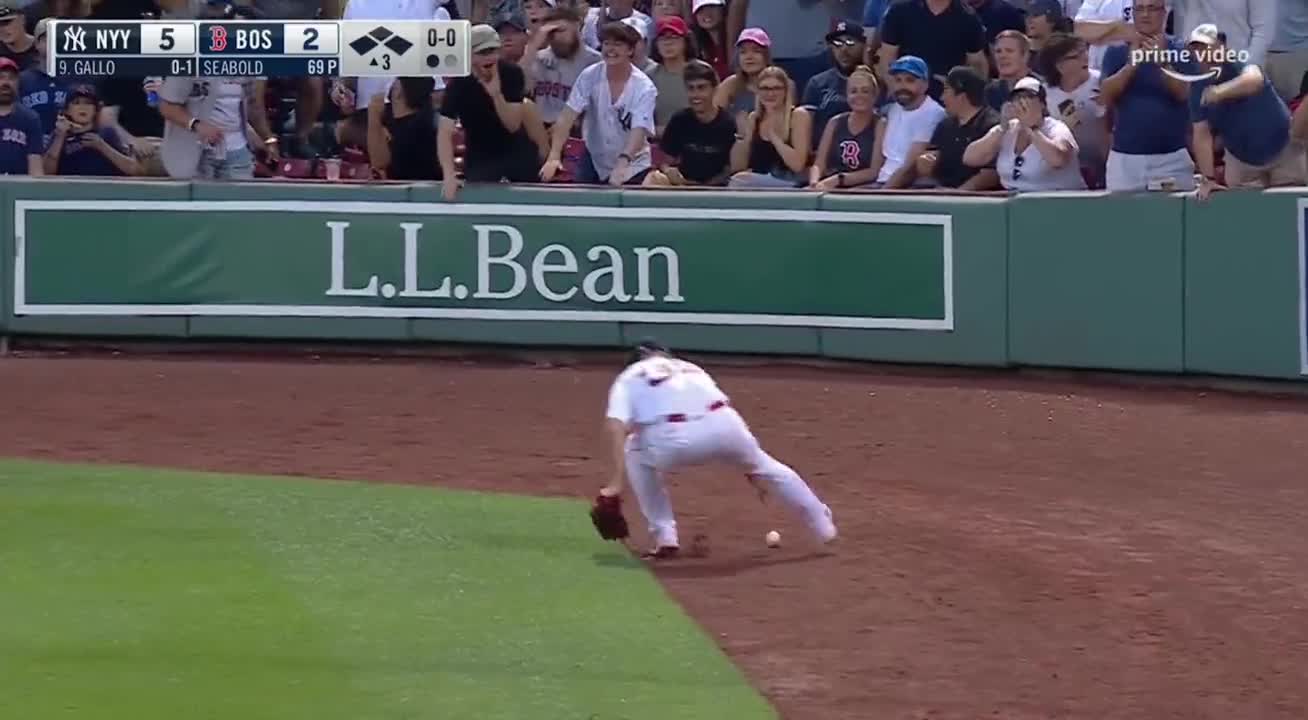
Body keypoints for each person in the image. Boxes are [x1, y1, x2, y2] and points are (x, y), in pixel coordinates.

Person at [599, 338, 838, 559]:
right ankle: (822, 524)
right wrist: (749, 466)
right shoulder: (689, 367)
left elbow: (616, 424)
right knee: (765, 465)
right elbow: (714, 410)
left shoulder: (628, 377)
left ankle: (664, 537)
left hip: (674, 439)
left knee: (634, 450)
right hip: (727, 425)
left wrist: (616, 483)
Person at [1187, 24, 1305, 196]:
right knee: (1246, 218)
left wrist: (1219, 92)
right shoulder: (1197, 85)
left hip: (1284, 152)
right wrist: (1209, 178)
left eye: (1208, 47)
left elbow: (1253, 80)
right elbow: (1201, 134)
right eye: (1198, 50)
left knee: (1290, 215)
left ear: (1223, 48)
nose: (1204, 54)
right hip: (1242, 164)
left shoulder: (1243, 64)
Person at [540, 20, 657, 186]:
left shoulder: (644, 87)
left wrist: (623, 162)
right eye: (606, 44)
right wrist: (554, 156)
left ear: (630, 50)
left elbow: (638, 130)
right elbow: (567, 116)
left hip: (633, 163)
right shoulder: (589, 75)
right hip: (595, 157)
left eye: (617, 44)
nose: (611, 49)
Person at [1099, 0, 1195, 191]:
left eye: (1152, 8)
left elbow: (1184, 94)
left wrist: (1163, 63)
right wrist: (1131, 65)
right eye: (1140, 9)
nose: (1145, 14)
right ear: (1132, 13)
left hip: (1171, 159)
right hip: (1125, 160)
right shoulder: (1116, 51)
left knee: (1172, 219)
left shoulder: (1181, 50)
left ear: (1164, 13)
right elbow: (1105, 96)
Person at [439, 24, 541, 198]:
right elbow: (444, 132)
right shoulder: (459, 83)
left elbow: (513, 125)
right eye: (482, 53)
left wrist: (496, 94)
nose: (489, 58)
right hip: (480, 158)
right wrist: (448, 175)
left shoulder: (512, 74)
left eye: (493, 51)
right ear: (468, 56)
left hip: (516, 154)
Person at [963, 75, 1086, 190]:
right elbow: (970, 158)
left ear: (1042, 104)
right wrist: (1001, 129)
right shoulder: (1008, 129)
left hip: (1056, 202)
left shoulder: (1056, 128)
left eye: (1029, 97)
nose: (1022, 102)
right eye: (1017, 98)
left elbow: (1058, 159)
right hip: (1013, 203)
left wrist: (1031, 128)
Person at [646, 59, 736, 186]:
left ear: (714, 89)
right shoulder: (680, 119)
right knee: (654, 178)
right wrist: (668, 171)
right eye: (691, 88)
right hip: (682, 186)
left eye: (701, 88)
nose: (696, 95)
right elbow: (665, 161)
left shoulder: (728, 123)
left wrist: (703, 188)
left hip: (718, 189)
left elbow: (730, 169)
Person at [914, 65, 1002, 189]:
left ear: (961, 96)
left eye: (946, 91)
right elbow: (931, 156)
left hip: (974, 201)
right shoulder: (945, 125)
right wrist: (926, 162)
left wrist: (957, 196)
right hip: (941, 193)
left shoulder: (992, 125)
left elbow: (990, 174)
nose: (941, 98)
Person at [728, 65, 813, 188]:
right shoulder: (755, 118)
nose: (770, 93)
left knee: (739, 182)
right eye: (765, 88)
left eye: (776, 88)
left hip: (791, 182)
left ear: (785, 91)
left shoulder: (798, 115)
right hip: (760, 181)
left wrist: (774, 137)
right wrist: (743, 137)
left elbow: (798, 165)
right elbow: (737, 167)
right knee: (738, 180)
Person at [1040, 32, 1107, 186]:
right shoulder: (1045, 93)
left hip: (1104, 163)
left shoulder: (1102, 82)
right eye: (1076, 56)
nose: (1085, 58)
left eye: (1085, 51)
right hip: (1065, 168)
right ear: (1059, 66)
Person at [874, 55, 947, 188]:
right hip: (880, 182)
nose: (902, 86)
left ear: (925, 84)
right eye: (898, 80)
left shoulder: (933, 113)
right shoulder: (892, 109)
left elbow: (909, 169)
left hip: (905, 189)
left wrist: (880, 196)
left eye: (910, 80)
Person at [524, 5, 601, 126]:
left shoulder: (596, 62)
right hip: (540, 130)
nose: (556, 37)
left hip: (578, 133)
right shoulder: (538, 58)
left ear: (577, 25)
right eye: (550, 33)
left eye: (560, 30)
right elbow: (519, 88)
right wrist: (534, 46)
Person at [809, 65, 881, 189]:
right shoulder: (835, 122)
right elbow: (819, 164)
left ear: (874, 96)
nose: (859, 95)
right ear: (847, 96)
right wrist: (814, 182)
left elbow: (874, 172)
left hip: (863, 188)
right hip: (831, 184)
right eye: (854, 91)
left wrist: (838, 179)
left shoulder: (880, 124)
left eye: (865, 91)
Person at [43, 84, 139, 176]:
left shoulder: (107, 133)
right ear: (67, 110)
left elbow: (133, 169)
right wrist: (60, 137)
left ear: (96, 110)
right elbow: (47, 173)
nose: (82, 107)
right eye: (76, 103)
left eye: (88, 103)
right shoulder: (58, 135)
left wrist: (101, 146)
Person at [802, 21, 867, 152]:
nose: (844, 49)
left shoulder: (874, 83)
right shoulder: (817, 83)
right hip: (822, 159)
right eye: (837, 43)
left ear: (863, 45)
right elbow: (805, 128)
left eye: (850, 42)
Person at [368, 76, 440, 180]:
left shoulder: (414, 130)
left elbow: (379, 163)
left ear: (398, 91)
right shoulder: (425, 121)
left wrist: (373, 115)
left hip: (415, 192)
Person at [649, 14, 696, 133]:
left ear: (686, 41)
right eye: (663, 38)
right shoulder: (649, 76)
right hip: (658, 142)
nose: (668, 43)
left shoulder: (701, 71)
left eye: (674, 37)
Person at [0, 56, 42, 175]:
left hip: (17, 190)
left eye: (11, 78)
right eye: (1, 77)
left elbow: (36, 167)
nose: (6, 83)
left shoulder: (30, 118)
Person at [689, 0, 730, 81]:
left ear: (722, 9)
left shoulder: (734, 43)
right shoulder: (697, 48)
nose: (706, 13)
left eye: (711, 7)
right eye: (701, 9)